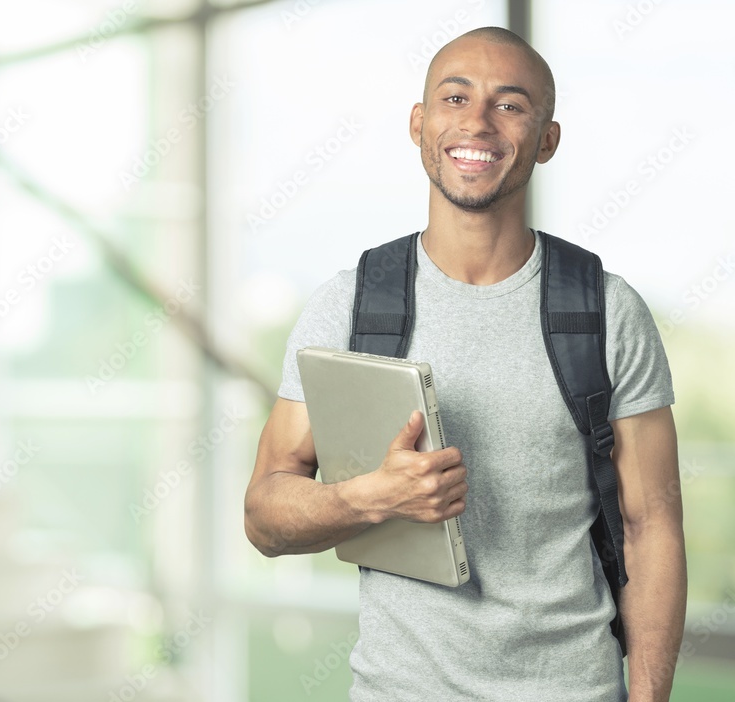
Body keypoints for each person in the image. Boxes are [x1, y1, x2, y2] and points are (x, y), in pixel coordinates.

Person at [243, 26, 686, 702]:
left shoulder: (606, 310)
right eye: (454, 98)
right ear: (420, 125)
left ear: (546, 139)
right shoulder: (350, 306)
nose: (475, 121)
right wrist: (371, 497)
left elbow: (651, 526)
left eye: (509, 104)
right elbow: (265, 516)